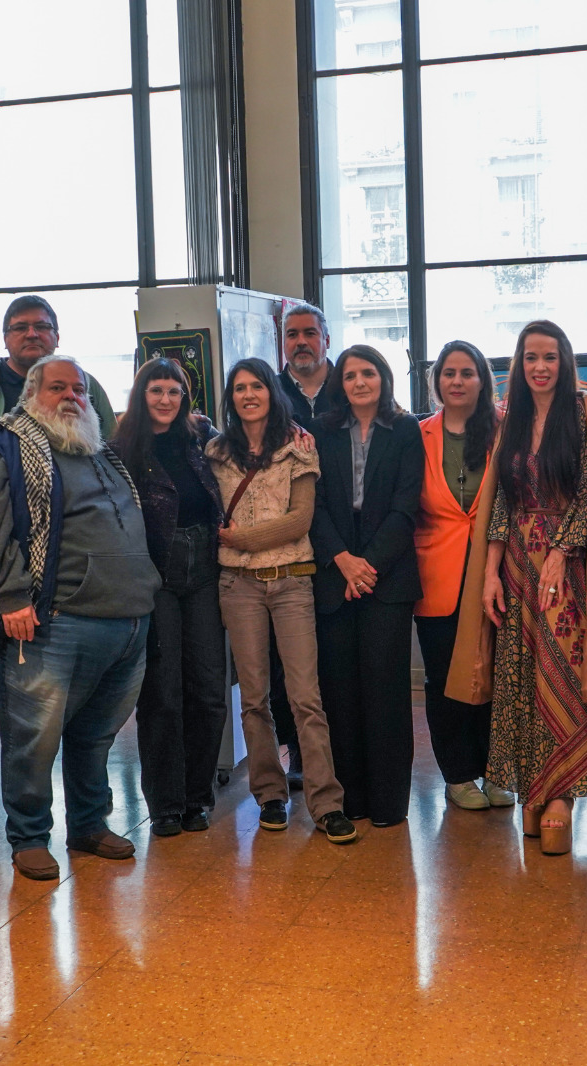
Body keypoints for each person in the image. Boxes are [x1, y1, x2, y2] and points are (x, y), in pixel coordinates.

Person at [0, 355, 160, 879]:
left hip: (128, 621)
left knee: (95, 737)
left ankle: (89, 823)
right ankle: (29, 836)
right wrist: (12, 597)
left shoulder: (102, 453)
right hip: (55, 623)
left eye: (79, 389)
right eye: (58, 387)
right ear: (31, 395)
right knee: (34, 740)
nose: (71, 396)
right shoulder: (5, 449)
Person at [448, 321, 587, 857]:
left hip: (567, 567)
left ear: (565, 360)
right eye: (530, 357)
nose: (539, 366)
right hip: (515, 563)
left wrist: (561, 550)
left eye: (549, 356)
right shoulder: (510, 419)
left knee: (562, 673)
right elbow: (500, 502)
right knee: (519, 677)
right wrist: (489, 572)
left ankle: (562, 792)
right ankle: (534, 784)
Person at [206, 357, 357, 844]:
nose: (249, 395)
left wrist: (241, 539)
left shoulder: (298, 446)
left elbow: (300, 520)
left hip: (292, 581)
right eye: (239, 388)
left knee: (305, 697)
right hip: (238, 587)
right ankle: (270, 796)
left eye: (257, 386)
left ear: (272, 392)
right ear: (230, 398)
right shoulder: (215, 451)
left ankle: (326, 803)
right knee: (253, 698)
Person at [109, 358, 230, 836]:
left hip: (204, 572)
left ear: (185, 396)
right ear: (141, 395)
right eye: (156, 390)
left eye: (174, 391)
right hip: (153, 574)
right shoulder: (121, 448)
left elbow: (249, 450)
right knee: (162, 694)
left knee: (209, 690)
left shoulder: (201, 436)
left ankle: (198, 797)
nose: (165, 399)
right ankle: (165, 803)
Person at [310, 345, 424, 827]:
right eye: (351, 375)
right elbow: (312, 503)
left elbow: (406, 507)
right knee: (339, 690)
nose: (359, 382)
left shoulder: (406, 429)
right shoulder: (320, 431)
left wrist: (367, 566)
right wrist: (343, 560)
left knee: (385, 691)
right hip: (334, 570)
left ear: (383, 378)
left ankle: (388, 802)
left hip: (387, 572)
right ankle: (350, 798)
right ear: (340, 383)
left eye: (368, 373)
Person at [414, 341, 511, 811]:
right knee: (445, 679)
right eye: (448, 372)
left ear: (482, 380)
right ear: (436, 381)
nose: (457, 381)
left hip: (498, 571)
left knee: (494, 674)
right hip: (437, 573)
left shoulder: (504, 429)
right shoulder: (419, 435)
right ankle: (457, 774)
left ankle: (495, 770)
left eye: (467, 373)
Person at [271, 301, 340, 784]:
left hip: (341, 542)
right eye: (292, 334)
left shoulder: (350, 385)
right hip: (286, 541)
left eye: (309, 333)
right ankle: (295, 749)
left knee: (334, 652)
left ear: (326, 339)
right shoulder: (269, 392)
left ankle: (338, 748)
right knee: (286, 659)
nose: (301, 342)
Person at [0, 294, 117, 433]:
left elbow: (112, 443)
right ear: (5, 339)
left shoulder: (85, 385)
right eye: (20, 328)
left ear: (57, 337)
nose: (32, 334)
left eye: (42, 326)